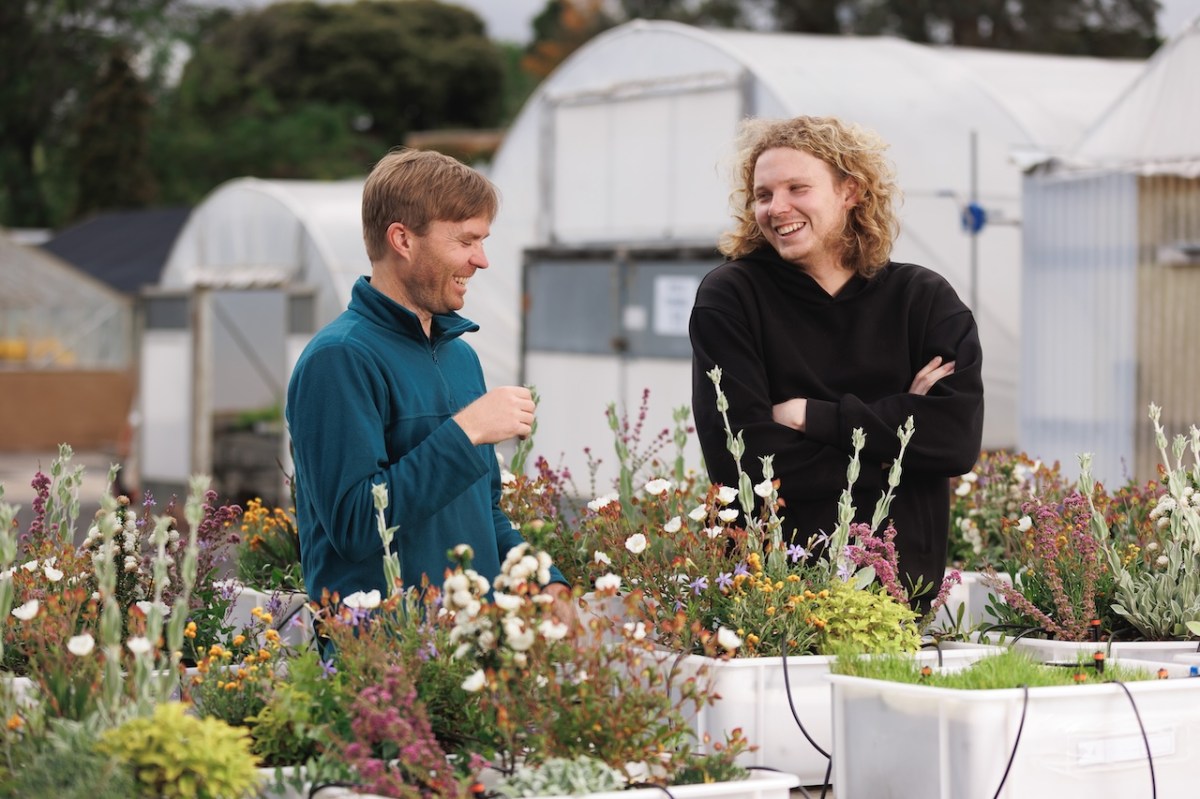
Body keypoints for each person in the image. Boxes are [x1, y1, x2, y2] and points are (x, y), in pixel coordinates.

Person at [689, 115, 984, 603]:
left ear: (851, 192)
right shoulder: (731, 297)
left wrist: (811, 416)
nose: (776, 208)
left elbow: (954, 441)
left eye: (796, 188)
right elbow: (740, 465)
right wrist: (902, 444)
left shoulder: (923, 299)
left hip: (899, 595)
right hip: (774, 599)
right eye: (763, 195)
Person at [286, 148, 572, 619]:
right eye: (465, 241)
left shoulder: (459, 355)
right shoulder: (339, 359)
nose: (481, 260)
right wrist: (466, 432)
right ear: (402, 239)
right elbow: (357, 524)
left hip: (469, 645)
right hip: (385, 661)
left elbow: (484, 511)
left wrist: (544, 580)